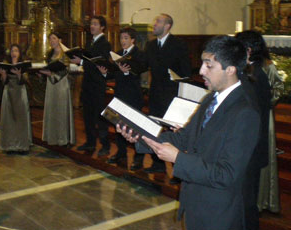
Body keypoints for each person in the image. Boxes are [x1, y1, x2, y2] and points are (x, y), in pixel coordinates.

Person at [118, 35, 260, 230]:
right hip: (195, 203)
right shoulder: (210, 100)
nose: (201, 71)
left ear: (230, 69)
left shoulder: (245, 113)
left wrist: (178, 158)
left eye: (208, 65)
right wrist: (140, 137)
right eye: (202, 63)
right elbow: (183, 138)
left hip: (218, 214)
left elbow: (226, 174)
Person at [142, 13, 191, 173]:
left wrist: (178, 78)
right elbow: (142, 66)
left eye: (158, 21)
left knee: (173, 131)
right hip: (156, 92)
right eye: (155, 20)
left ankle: (179, 169)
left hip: (172, 94)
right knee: (154, 128)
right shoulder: (150, 45)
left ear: (167, 26)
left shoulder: (179, 44)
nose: (154, 24)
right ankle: (158, 165)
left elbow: (186, 71)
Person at [236, 30, 272, 229]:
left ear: (247, 51)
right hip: (249, 148)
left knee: (247, 203)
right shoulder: (251, 73)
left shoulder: (256, 77)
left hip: (251, 149)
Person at [97, 27, 146, 168]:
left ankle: (138, 157)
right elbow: (113, 74)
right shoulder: (117, 54)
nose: (122, 41)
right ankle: (121, 153)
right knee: (119, 125)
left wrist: (126, 72)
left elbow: (139, 71)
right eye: (121, 38)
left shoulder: (139, 54)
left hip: (133, 95)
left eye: (126, 38)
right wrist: (105, 73)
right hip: (119, 95)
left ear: (132, 39)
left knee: (135, 128)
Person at [71, 16, 112, 156]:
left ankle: (105, 145)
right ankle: (90, 143)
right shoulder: (91, 42)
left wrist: (81, 62)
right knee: (87, 116)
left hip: (97, 85)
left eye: (95, 24)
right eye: (91, 24)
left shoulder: (105, 44)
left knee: (100, 118)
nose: (92, 26)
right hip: (88, 84)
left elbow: (100, 64)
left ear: (102, 27)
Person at [40, 32, 75, 146]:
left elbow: (65, 70)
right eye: (50, 39)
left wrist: (51, 74)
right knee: (52, 109)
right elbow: (47, 68)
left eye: (54, 38)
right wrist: (42, 74)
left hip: (61, 84)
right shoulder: (49, 54)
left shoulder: (65, 54)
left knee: (61, 109)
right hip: (51, 85)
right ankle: (52, 137)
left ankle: (62, 138)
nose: (52, 41)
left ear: (60, 40)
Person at [259, 45, 283, 213]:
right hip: (248, 114)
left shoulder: (268, 65)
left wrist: (265, 101)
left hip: (264, 114)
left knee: (264, 155)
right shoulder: (243, 65)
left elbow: (278, 88)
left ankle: (264, 200)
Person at [0, 44, 32, 154]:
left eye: (16, 51)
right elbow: (3, 82)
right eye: (12, 51)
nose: (14, 53)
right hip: (8, 92)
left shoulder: (23, 65)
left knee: (21, 118)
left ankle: (22, 145)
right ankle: (10, 145)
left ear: (19, 53)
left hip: (20, 92)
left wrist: (18, 74)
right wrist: (3, 74)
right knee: (9, 118)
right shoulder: (6, 64)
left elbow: (25, 80)